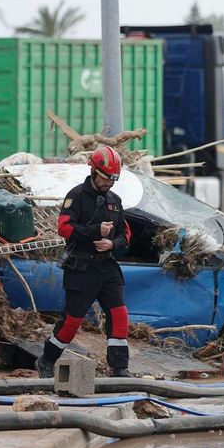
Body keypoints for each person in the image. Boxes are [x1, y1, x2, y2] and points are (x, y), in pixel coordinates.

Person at [35, 145, 132, 379]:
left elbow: (125, 234)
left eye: (113, 179)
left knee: (119, 315)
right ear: (94, 171)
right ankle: (47, 361)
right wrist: (94, 231)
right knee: (72, 321)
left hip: (107, 267)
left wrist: (113, 244)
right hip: (82, 268)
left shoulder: (115, 201)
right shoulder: (76, 196)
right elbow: (64, 228)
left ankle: (119, 368)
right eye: (106, 178)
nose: (109, 183)